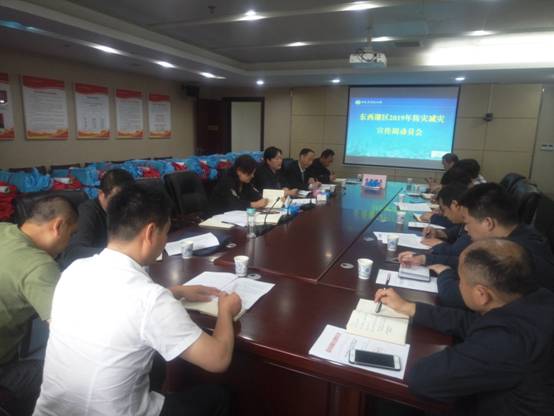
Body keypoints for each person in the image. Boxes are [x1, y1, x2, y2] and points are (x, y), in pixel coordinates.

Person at [34, 185, 241, 416]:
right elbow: (218, 359)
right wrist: (225, 310)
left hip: (50, 412)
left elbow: (117, 304)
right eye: (165, 233)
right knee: (218, 396)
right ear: (151, 232)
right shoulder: (150, 299)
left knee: (157, 364)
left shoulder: (74, 270)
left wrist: (175, 291)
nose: (165, 240)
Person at [375, 239, 554, 416]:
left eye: (460, 280)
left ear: (481, 294)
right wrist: (409, 307)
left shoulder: (510, 340)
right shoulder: (539, 298)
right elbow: (472, 322)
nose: (458, 285)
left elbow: (422, 380)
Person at [0, 196, 77, 416]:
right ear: (58, 226)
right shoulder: (39, 265)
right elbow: (71, 332)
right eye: (71, 234)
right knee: (64, 376)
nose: (69, 242)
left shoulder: (4, 228)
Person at [432, 183, 554, 308]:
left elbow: (458, 297)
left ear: (488, 223)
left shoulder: (513, 256)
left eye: (467, 223)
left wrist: (445, 274)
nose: (466, 229)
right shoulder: (523, 233)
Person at [59, 168, 134, 269]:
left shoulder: (131, 208)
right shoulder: (88, 211)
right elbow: (73, 253)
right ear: (101, 195)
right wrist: (117, 254)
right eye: (116, 200)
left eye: (127, 201)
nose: (122, 206)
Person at [399, 183, 470, 269]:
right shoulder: (466, 222)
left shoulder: (474, 228)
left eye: (443, 209)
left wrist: (438, 247)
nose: (443, 214)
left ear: (455, 205)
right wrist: (439, 233)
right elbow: (457, 231)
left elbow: (460, 259)